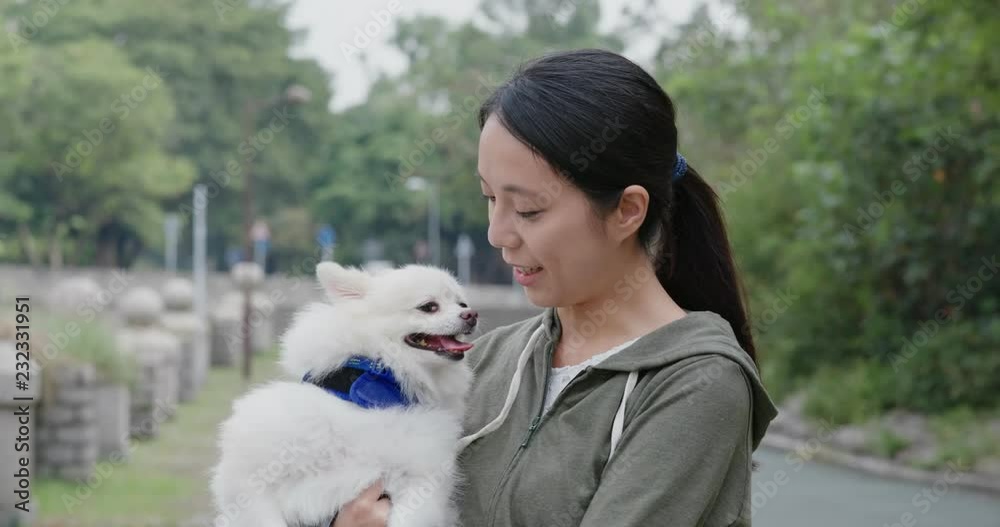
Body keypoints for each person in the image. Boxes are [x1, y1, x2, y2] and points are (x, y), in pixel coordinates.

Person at [333, 48, 778, 527]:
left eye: (528, 210)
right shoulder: (484, 361)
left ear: (627, 210)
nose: (498, 234)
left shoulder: (698, 386)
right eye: (489, 198)